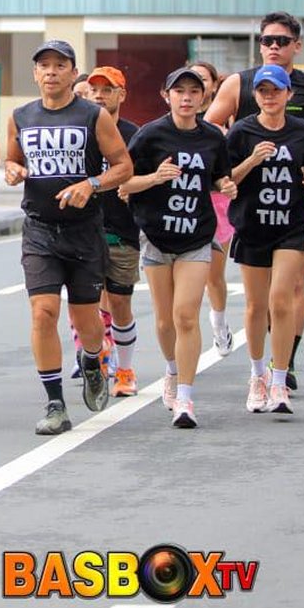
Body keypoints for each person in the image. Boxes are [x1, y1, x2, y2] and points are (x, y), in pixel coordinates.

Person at [5, 40, 133, 436]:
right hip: (39, 230)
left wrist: (91, 184)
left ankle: (93, 360)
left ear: (74, 73)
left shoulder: (93, 115)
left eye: (60, 65)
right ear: (35, 74)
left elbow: (123, 166)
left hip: (84, 231)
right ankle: (55, 403)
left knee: (86, 319)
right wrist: (12, 170)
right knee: (43, 312)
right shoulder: (21, 116)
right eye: (44, 65)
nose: (52, 72)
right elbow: (13, 159)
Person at [206, 11, 304, 389]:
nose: (274, 47)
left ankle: (285, 361)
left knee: (292, 287)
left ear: (297, 46)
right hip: (251, 197)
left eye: (282, 41)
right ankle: (263, 368)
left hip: (298, 196)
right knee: (259, 297)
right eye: (267, 41)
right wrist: (235, 155)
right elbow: (209, 128)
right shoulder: (239, 83)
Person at [122, 67, 235, 427]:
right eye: (179, 91)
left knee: (186, 314)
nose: (186, 98)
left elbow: (219, 177)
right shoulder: (149, 135)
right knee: (164, 318)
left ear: (205, 97)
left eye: (194, 92)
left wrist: (226, 186)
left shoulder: (213, 137)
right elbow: (124, 184)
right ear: (166, 95)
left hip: (197, 235)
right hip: (156, 236)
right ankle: (171, 370)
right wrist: (155, 178)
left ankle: (185, 398)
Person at [227, 65, 304, 415]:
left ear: (288, 94)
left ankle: (279, 380)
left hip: (290, 224)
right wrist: (252, 160)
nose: (269, 97)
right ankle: (257, 375)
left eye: (276, 90)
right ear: (255, 95)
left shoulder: (302, 130)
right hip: (252, 224)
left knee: (281, 300)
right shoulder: (242, 131)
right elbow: (226, 179)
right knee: (256, 305)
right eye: (263, 91)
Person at [87, 66, 141, 396]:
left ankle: (125, 369)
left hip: (122, 229)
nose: (99, 95)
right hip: (83, 230)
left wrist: (133, 187)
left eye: (107, 90)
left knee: (120, 303)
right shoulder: (80, 130)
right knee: (88, 303)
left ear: (122, 95)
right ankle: (97, 360)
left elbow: (146, 177)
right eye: (94, 89)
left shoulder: (135, 135)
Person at [189, 60, 235, 355]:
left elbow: (229, 170)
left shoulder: (225, 125)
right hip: (185, 205)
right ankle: (187, 336)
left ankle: (219, 323)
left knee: (213, 276)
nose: (196, 86)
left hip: (217, 204)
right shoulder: (174, 120)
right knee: (188, 278)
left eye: (203, 80)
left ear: (214, 86)